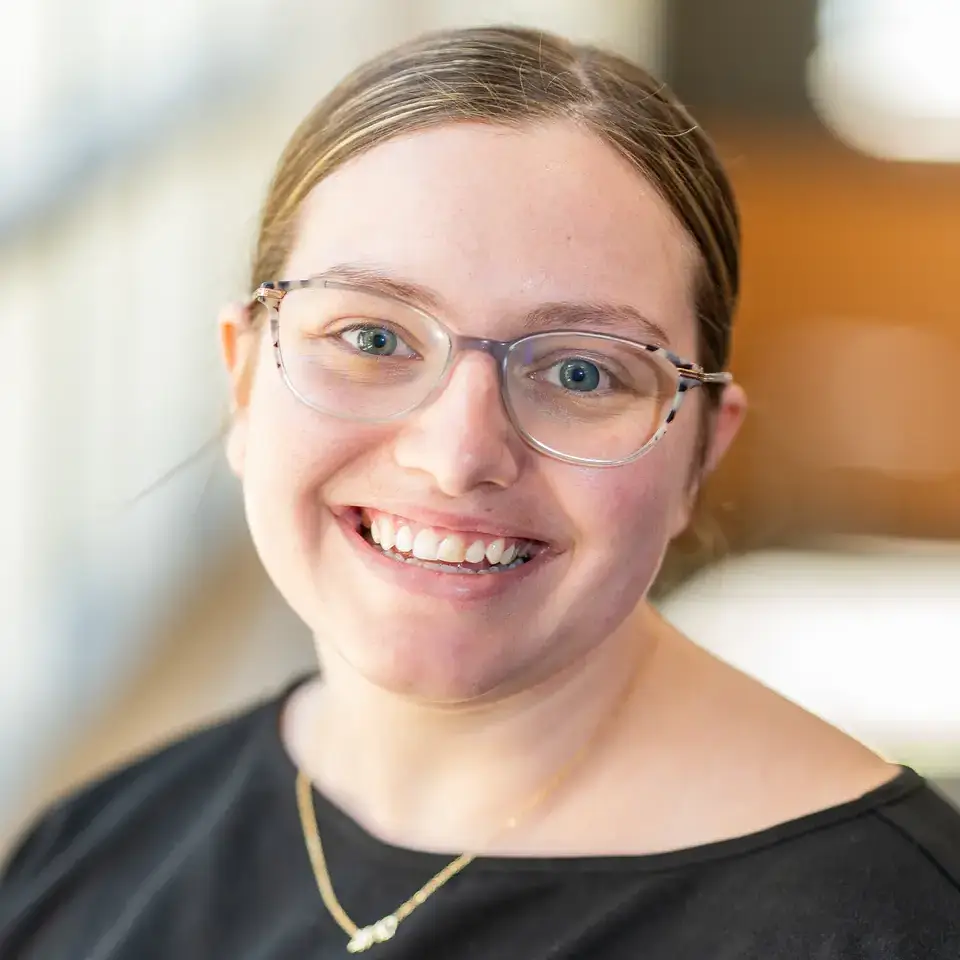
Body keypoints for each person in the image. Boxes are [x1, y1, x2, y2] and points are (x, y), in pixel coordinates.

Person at [2, 24, 959, 960]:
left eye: (582, 372)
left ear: (700, 453)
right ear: (245, 381)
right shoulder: (86, 861)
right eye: (374, 339)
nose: (459, 455)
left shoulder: (898, 924)